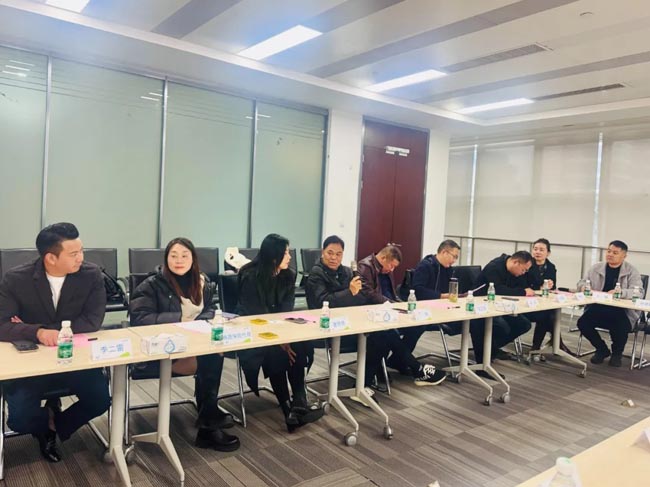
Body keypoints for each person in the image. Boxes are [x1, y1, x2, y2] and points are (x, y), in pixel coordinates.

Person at [0, 223, 111, 463]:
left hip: (73, 357)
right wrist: (37, 332)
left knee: (101, 400)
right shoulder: (16, 279)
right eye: (74, 254)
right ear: (51, 258)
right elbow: (2, 324)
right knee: (19, 420)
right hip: (30, 361)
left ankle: (54, 424)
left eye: (81, 250)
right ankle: (44, 421)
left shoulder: (91, 275)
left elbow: (92, 320)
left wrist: (30, 328)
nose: (81, 258)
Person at [129, 237, 239, 451]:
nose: (179, 260)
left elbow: (210, 309)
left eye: (184, 256)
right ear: (166, 259)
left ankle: (208, 416)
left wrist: (199, 321)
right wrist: (180, 320)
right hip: (160, 353)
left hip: (192, 346)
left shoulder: (202, 282)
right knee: (212, 357)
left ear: (193, 259)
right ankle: (209, 422)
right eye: (174, 256)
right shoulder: (151, 285)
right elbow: (139, 319)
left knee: (214, 351)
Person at [236, 233, 324, 432]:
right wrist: (280, 341)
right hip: (252, 332)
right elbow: (256, 316)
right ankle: (288, 410)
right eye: (286, 253)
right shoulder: (250, 276)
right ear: (273, 256)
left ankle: (299, 403)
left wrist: (286, 338)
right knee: (275, 351)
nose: (290, 256)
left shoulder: (288, 275)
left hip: (280, 330)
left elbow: (286, 311)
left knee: (299, 342)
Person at [357, 243, 447, 390]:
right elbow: (369, 294)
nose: (392, 270)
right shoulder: (365, 266)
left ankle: (398, 361)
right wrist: (392, 304)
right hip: (373, 315)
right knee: (388, 333)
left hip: (389, 311)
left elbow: (392, 294)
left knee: (418, 325)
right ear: (383, 258)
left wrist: (401, 305)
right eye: (391, 266)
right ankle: (418, 369)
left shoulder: (386, 269)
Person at [577, 240, 643, 367]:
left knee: (620, 324)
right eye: (609, 251)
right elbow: (581, 282)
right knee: (582, 322)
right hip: (598, 307)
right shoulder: (596, 268)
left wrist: (621, 292)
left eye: (615, 253)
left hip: (622, 310)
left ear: (624, 256)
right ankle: (601, 349)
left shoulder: (631, 271)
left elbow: (639, 292)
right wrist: (583, 287)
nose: (610, 254)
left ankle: (617, 354)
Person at [472, 251, 534, 372]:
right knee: (502, 327)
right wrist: (522, 292)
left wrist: (524, 289)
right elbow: (498, 290)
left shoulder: (515, 272)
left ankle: (492, 348)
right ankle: (487, 352)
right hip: (482, 306)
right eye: (523, 270)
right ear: (516, 262)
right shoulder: (494, 267)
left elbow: (522, 286)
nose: (523, 273)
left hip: (501, 306)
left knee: (524, 324)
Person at [405, 239, 462, 356]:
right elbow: (418, 290)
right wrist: (441, 296)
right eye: (454, 256)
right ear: (444, 252)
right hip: (424, 309)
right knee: (418, 326)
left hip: (443, 309)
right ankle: (401, 358)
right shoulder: (426, 265)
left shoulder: (448, 269)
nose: (454, 261)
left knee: (472, 322)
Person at [526, 238, 573, 356]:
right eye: (535, 249)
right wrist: (540, 286)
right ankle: (555, 344)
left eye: (541, 250)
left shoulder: (551, 267)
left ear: (548, 253)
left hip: (543, 302)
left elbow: (553, 287)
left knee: (549, 315)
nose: (537, 252)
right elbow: (525, 284)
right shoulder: (527, 264)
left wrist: (550, 285)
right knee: (548, 316)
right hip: (527, 303)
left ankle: (541, 346)